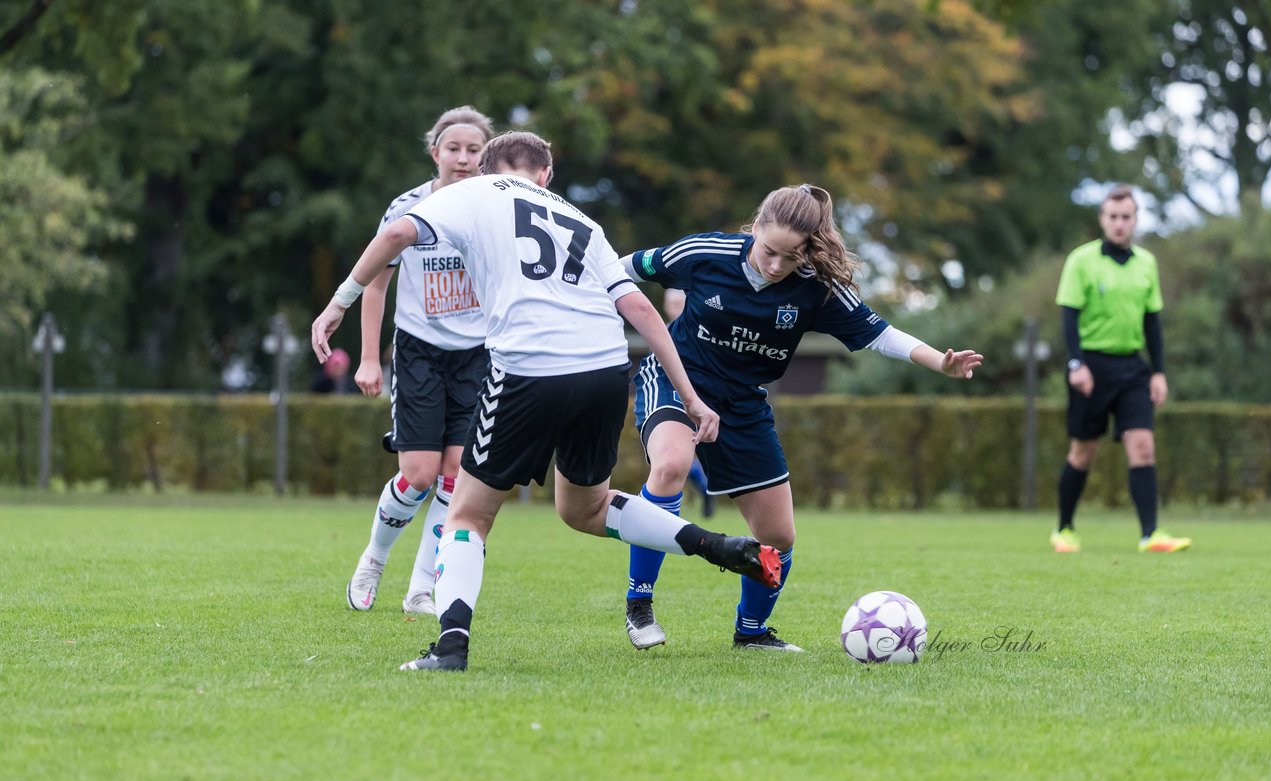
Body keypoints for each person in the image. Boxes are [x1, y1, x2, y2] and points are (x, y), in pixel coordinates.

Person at [311, 131, 781, 672]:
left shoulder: (476, 191)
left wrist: (338, 302)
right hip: (604, 367)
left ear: (487, 168)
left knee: (467, 513)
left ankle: (450, 648)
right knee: (586, 508)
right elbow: (645, 314)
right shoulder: (582, 221)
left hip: (531, 365)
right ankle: (720, 547)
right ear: (547, 176)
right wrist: (693, 400)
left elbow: (397, 232)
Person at [622, 183, 983, 653]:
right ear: (755, 227)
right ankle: (639, 603)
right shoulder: (705, 253)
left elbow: (880, 333)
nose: (775, 266)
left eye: (790, 258)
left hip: (744, 405)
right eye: (769, 251)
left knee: (778, 536)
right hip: (676, 380)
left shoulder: (817, 287)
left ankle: (750, 632)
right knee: (670, 465)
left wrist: (941, 361)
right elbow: (618, 271)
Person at [341, 106, 495, 616]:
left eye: (475, 150)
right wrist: (368, 359)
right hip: (419, 354)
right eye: (454, 148)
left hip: (476, 358)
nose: (464, 158)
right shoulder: (407, 209)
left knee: (457, 475)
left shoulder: (492, 212)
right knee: (419, 473)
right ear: (436, 153)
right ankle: (375, 558)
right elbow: (376, 283)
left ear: (486, 156)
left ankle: (422, 587)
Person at [1050, 184, 1191, 554]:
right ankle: (1064, 529)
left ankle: (1151, 535)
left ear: (1135, 220)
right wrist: (1076, 363)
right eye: (1112, 216)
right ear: (1102, 219)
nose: (1119, 223)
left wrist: (1158, 372)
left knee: (1143, 446)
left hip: (1132, 368)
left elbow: (1152, 323)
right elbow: (1068, 317)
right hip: (1091, 367)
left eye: (1126, 217)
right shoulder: (1081, 260)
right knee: (1083, 452)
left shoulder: (1147, 263)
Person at [661, 288, 714, 518]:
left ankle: (704, 489)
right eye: (671, 303)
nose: (675, 307)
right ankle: (703, 489)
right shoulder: (660, 332)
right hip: (668, 401)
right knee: (671, 460)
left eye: (679, 302)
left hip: (697, 401)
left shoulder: (701, 332)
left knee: (679, 458)